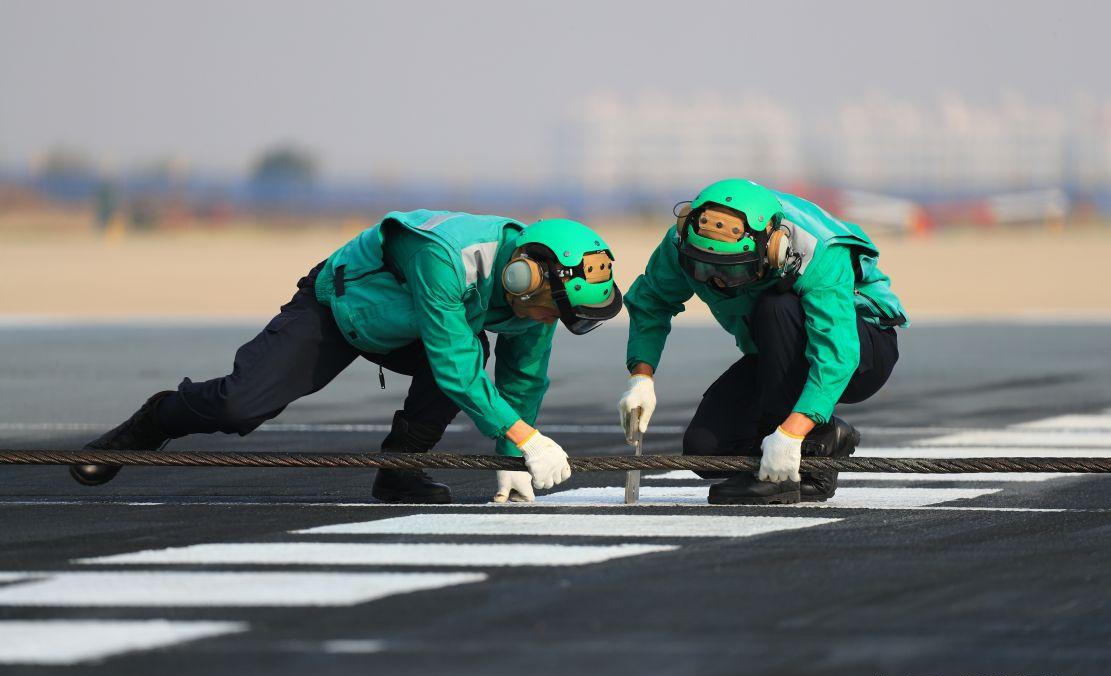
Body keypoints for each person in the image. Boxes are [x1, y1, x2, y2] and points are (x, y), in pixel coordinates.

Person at [70, 211, 623, 504]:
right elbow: (454, 364)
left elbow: (524, 377)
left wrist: (510, 459)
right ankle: (153, 420)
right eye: (553, 310)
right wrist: (528, 438)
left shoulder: (536, 304)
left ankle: (399, 471)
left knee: (468, 352)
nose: (549, 322)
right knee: (238, 407)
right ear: (523, 276)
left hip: (414, 330)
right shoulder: (446, 256)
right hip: (336, 310)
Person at [618, 179, 906, 505]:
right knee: (707, 450)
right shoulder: (684, 240)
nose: (717, 281)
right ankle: (825, 438)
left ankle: (791, 469)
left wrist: (790, 433)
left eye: (732, 272)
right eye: (702, 267)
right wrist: (641, 378)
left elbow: (837, 355)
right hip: (777, 350)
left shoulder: (817, 251)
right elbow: (653, 300)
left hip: (862, 349)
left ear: (773, 252)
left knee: (776, 306)